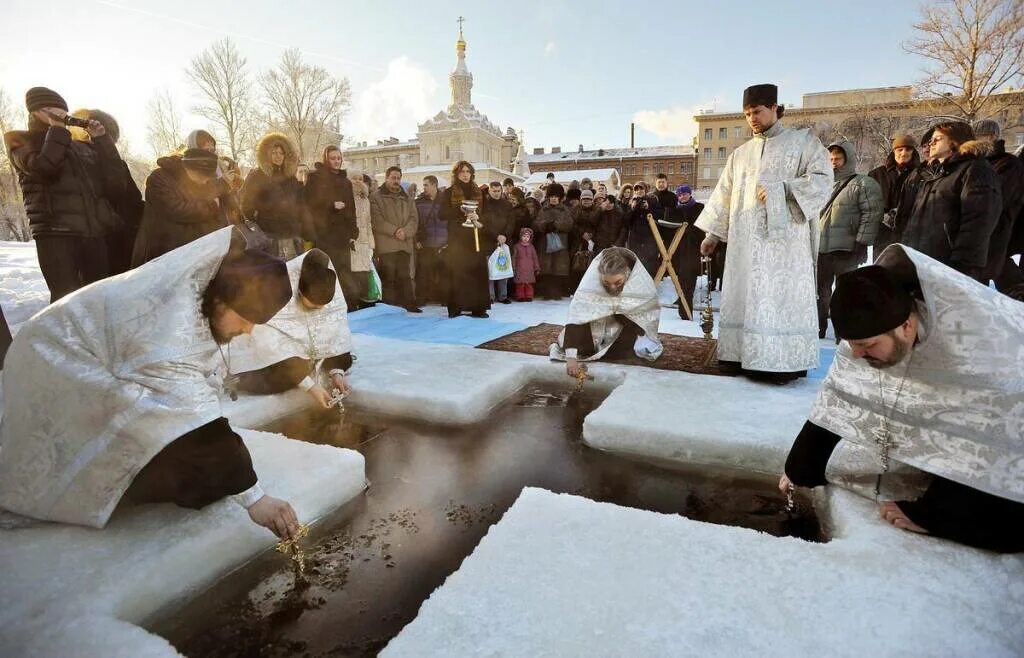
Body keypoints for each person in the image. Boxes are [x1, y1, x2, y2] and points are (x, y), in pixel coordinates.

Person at [0, 227, 301, 538]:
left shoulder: (200, 295)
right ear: (223, 300)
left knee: (193, 465)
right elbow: (196, 421)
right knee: (182, 461)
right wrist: (256, 498)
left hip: (84, 356)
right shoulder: (171, 327)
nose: (249, 331)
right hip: (54, 359)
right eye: (246, 318)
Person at [780, 247, 1024, 553]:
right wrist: (801, 465)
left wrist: (936, 513)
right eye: (851, 345)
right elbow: (842, 395)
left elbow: (995, 436)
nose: (856, 354)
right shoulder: (870, 330)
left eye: (866, 345)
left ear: (906, 326)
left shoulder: (984, 352)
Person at [697, 83, 832, 383]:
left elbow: (823, 181)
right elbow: (724, 196)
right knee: (744, 295)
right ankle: (738, 355)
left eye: (757, 111)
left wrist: (784, 189)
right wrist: (713, 235)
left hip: (783, 247)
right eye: (747, 114)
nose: (752, 119)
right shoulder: (740, 154)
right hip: (745, 245)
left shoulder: (803, 142)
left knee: (775, 298)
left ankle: (781, 360)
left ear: (775, 108)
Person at [4, 87, 124, 301]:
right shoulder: (19, 140)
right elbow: (43, 168)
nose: (58, 113)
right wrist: (58, 130)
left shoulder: (78, 146)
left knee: (98, 297)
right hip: (55, 233)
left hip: (93, 233)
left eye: (61, 109)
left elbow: (114, 184)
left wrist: (102, 141)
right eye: (50, 109)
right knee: (65, 299)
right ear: (35, 111)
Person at [235, 249, 353, 407]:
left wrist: (336, 372)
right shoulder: (277, 290)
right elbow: (268, 345)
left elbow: (336, 335)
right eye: (313, 305)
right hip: (269, 358)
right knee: (273, 378)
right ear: (299, 292)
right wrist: (310, 387)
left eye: (322, 306)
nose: (319, 310)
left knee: (339, 350)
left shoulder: (327, 298)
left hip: (300, 358)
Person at [901, 122, 1002, 282]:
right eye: (930, 141)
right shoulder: (939, 174)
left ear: (955, 141)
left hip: (952, 267)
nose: (931, 143)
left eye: (937, 139)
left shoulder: (976, 170)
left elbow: (978, 222)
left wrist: (961, 264)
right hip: (924, 260)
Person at [550, 246, 662, 376]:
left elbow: (645, 318)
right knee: (578, 342)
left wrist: (619, 310)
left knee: (629, 350)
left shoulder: (638, 279)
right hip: (593, 329)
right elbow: (578, 316)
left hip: (623, 328)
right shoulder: (591, 282)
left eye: (618, 282)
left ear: (627, 274)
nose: (612, 288)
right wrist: (571, 358)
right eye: (606, 283)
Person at [817, 141, 883, 339]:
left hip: (847, 248)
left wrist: (862, 242)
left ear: (848, 159)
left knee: (846, 292)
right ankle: (819, 328)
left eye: (838, 158)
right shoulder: (823, 185)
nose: (834, 163)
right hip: (822, 249)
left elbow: (871, 213)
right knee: (821, 292)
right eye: (830, 159)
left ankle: (842, 331)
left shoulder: (863, 183)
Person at [68, 108, 144, 276]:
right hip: (99, 239)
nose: (110, 144)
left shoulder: (117, 163)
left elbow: (133, 199)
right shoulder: (79, 163)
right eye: (105, 137)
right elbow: (115, 192)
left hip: (123, 235)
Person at [132, 149, 233, 266]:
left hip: (186, 249)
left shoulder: (194, 180)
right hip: (161, 249)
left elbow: (208, 190)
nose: (206, 181)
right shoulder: (158, 179)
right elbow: (176, 210)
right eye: (204, 177)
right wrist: (211, 206)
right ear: (192, 169)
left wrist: (224, 183)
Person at [972, 119, 1024, 298]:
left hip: (997, 232)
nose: (973, 141)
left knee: (1005, 279)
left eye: (977, 136)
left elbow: (997, 198)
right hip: (980, 234)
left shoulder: (1008, 163)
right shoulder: (975, 164)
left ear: (992, 136)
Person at [304, 145, 358, 303]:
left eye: (339, 158)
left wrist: (353, 232)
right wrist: (331, 205)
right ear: (326, 159)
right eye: (333, 158)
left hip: (342, 234)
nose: (336, 162)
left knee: (344, 270)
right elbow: (309, 204)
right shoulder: (315, 178)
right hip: (324, 233)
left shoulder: (346, 182)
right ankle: (326, 304)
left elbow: (352, 208)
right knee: (326, 270)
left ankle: (347, 304)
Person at [242, 132, 307, 259]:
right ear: (267, 154)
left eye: (281, 153)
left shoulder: (291, 177)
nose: (278, 156)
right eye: (274, 152)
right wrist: (260, 222)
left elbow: (300, 204)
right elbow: (246, 204)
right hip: (269, 235)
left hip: (292, 234)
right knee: (272, 274)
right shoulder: (256, 176)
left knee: (293, 273)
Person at [439, 161, 491, 318]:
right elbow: (441, 214)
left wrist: (478, 217)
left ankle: (478, 307)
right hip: (457, 239)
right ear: (456, 174)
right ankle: (456, 308)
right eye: (462, 171)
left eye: (468, 171)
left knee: (477, 272)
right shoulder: (448, 193)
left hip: (475, 237)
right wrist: (459, 209)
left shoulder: (480, 192)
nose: (465, 174)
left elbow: (487, 215)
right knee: (457, 272)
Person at [370, 166, 421, 313]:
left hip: (404, 243)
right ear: (386, 178)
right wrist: (394, 231)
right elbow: (377, 220)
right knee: (389, 277)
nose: (396, 181)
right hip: (387, 245)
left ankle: (410, 304)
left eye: (398, 178)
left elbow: (414, 219)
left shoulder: (407, 198)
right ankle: (388, 307)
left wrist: (405, 232)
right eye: (393, 178)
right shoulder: (376, 197)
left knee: (405, 276)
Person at [867, 135, 920, 255]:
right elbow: (868, 203)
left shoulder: (921, 174)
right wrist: (882, 216)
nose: (903, 153)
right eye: (899, 149)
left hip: (910, 232)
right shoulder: (876, 174)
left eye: (908, 149)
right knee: (881, 268)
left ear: (913, 152)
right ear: (893, 151)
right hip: (882, 234)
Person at [532, 182, 574, 299]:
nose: (554, 199)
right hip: (545, 244)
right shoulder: (543, 210)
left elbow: (569, 224)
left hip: (561, 243)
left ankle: (557, 292)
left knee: (558, 268)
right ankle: (547, 292)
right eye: (552, 196)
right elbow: (535, 224)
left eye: (556, 197)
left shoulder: (565, 210)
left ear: (560, 197)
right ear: (549, 197)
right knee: (546, 268)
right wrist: (545, 225)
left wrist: (556, 226)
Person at [669, 184, 706, 318]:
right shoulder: (675, 210)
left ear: (690, 194)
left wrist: (687, 230)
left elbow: (702, 227)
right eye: (679, 194)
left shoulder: (699, 208)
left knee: (689, 283)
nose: (682, 196)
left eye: (684, 194)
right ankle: (683, 311)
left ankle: (686, 313)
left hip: (693, 250)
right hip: (678, 251)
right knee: (681, 282)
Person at [415, 175, 447, 304]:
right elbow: (415, 222)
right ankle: (423, 298)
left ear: (434, 185)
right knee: (424, 272)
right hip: (426, 243)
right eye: (423, 185)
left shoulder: (445, 201)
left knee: (444, 272)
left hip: (443, 242)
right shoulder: (419, 201)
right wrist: (417, 239)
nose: (424, 188)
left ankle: (444, 298)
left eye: (426, 185)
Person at [481, 181, 515, 304]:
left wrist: (505, 235)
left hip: (504, 241)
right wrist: (495, 236)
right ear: (489, 191)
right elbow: (483, 224)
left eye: (498, 191)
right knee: (489, 268)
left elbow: (511, 222)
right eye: (494, 191)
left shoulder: (507, 205)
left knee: (502, 267)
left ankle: (503, 295)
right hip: (489, 240)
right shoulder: (484, 205)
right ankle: (490, 296)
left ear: (501, 191)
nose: (496, 193)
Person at [348, 174, 376, 308]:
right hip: (352, 241)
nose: (358, 181)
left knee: (364, 274)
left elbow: (369, 222)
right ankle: (353, 304)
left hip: (364, 241)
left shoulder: (365, 199)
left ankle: (366, 304)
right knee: (353, 275)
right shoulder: (346, 197)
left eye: (360, 179)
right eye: (354, 178)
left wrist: (371, 243)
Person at [570, 189, 601, 289]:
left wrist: (592, 235)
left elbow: (600, 226)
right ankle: (575, 288)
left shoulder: (598, 210)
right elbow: (572, 225)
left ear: (592, 200)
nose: (586, 201)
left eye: (588, 199)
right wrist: (582, 233)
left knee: (590, 266)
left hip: (593, 242)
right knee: (576, 265)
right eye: (584, 199)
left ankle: (589, 288)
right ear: (581, 200)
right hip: (577, 242)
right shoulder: (575, 210)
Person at [512, 227, 540, 301]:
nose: (525, 238)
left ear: (530, 238)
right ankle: (520, 296)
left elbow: (535, 257)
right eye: (524, 236)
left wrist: (537, 267)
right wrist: (513, 267)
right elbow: (514, 257)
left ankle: (529, 296)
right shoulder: (517, 246)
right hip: (520, 268)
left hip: (529, 269)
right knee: (520, 284)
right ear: (521, 236)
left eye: (527, 237)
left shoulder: (531, 247)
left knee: (528, 284)